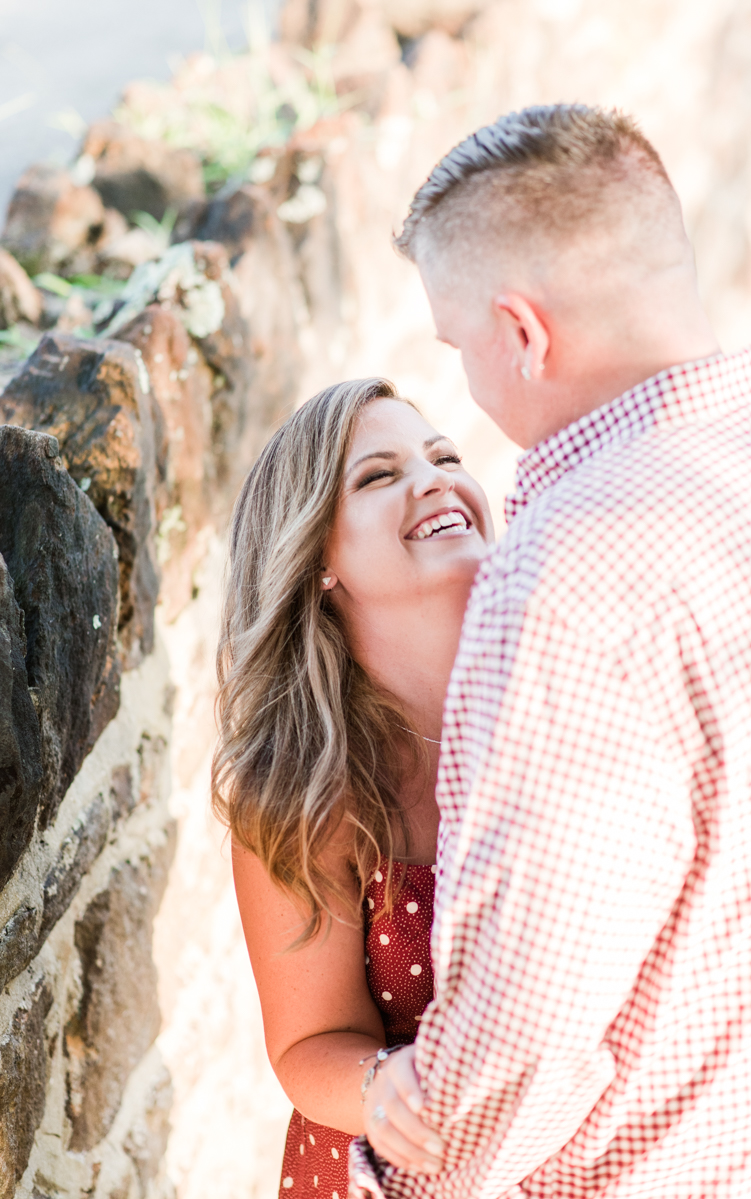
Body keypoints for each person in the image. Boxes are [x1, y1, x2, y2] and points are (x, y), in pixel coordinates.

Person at [349, 104, 751, 1197]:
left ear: (521, 331)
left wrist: (407, 1178)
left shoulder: (568, 570)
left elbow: (531, 1003)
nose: (468, 388)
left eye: (459, 349)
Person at [212, 377, 494, 1198]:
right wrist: (386, 1087)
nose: (436, 476)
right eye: (379, 475)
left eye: (444, 455)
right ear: (318, 559)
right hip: (397, 1170)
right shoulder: (304, 798)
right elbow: (310, 1043)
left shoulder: (565, 692)